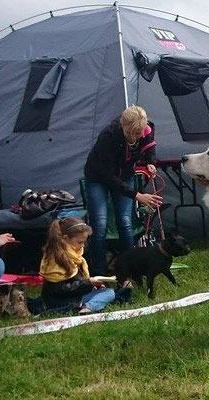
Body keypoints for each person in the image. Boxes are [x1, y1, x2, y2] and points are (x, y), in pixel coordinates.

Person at [84, 105, 162, 276]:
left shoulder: (146, 130)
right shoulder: (108, 137)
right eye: (130, 133)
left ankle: (128, 271)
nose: (134, 137)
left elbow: (149, 148)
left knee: (126, 222)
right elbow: (109, 178)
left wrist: (151, 162)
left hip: (125, 175)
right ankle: (99, 274)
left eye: (138, 133)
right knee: (100, 224)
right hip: (99, 178)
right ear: (123, 125)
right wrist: (137, 195)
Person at [40, 218, 115, 314]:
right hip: (59, 300)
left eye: (84, 242)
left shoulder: (75, 254)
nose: (83, 246)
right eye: (80, 242)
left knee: (109, 292)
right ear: (66, 239)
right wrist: (88, 283)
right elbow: (58, 289)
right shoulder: (56, 258)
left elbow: (77, 281)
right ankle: (87, 308)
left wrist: (92, 285)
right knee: (109, 294)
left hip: (75, 296)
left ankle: (85, 307)